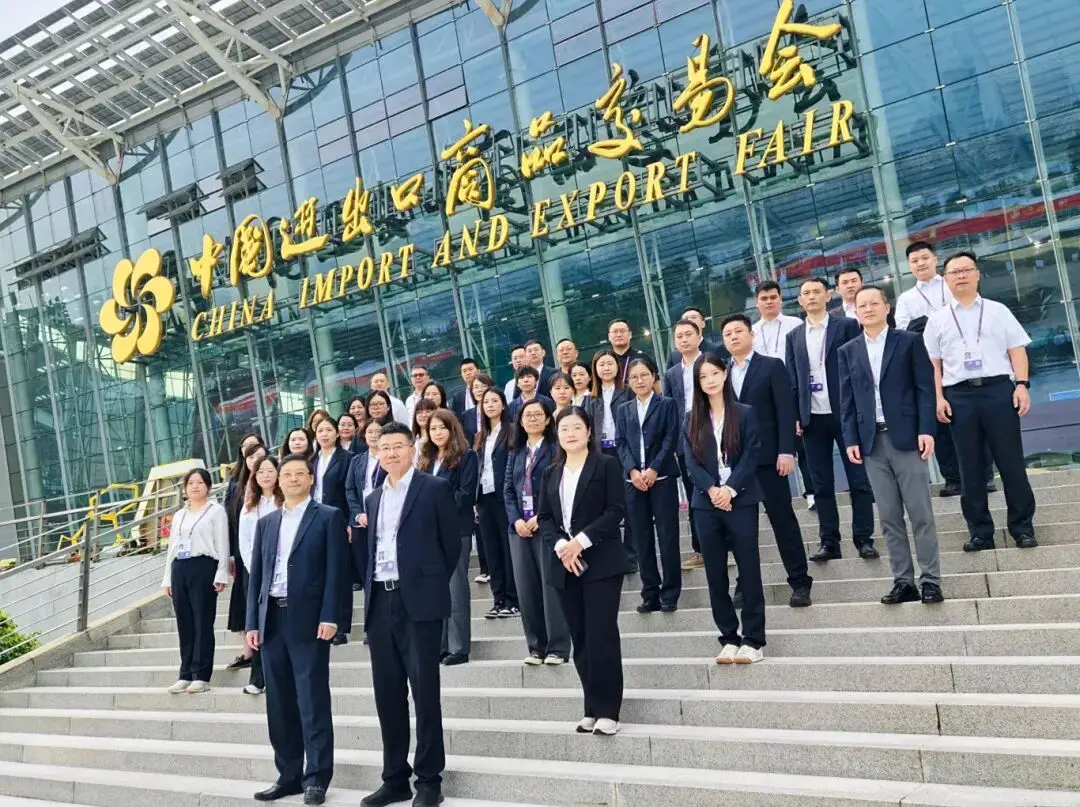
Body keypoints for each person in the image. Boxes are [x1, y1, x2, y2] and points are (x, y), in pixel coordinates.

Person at [360, 422, 457, 807]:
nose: (391, 453)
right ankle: (395, 779)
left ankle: (429, 780)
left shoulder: (434, 488)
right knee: (387, 695)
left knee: (425, 693)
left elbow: (450, 547)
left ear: (412, 449)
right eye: (384, 447)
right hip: (380, 603)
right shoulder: (373, 498)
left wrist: (426, 585)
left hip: (418, 602)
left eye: (398, 446)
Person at [246, 454, 347, 806]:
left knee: (312, 700)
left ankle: (316, 777)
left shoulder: (328, 517)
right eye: (286, 474)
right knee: (279, 702)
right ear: (278, 480)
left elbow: (337, 570)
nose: (292, 479)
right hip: (271, 620)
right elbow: (256, 577)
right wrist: (252, 622)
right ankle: (288, 774)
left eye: (299, 473)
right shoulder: (267, 523)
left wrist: (331, 616)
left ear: (311, 478)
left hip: (309, 620)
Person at [923, 251, 1038, 551]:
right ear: (945, 280)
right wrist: (938, 398)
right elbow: (933, 364)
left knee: (1011, 463)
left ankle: (1022, 528)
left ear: (977, 274)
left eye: (966, 270)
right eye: (954, 272)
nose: (960, 276)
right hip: (958, 396)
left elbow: (1017, 350)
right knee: (969, 468)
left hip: (998, 391)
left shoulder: (998, 310)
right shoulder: (937, 320)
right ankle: (980, 533)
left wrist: (1022, 385)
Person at [839, 286, 944, 605]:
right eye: (862, 305)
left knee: (920, 512)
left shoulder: (908, 341)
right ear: (856, 312)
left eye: (874, 303)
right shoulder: (848, 350)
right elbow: (847, 399)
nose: (868, 309)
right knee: (888, 516)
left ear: (887, 307)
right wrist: (850, 438)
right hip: (871, 442)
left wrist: (927, 430)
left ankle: (930, 580)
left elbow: (925, 388)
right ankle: (903, 581)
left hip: (907, 437)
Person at [537, 406, 632, 735]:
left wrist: (581, 541)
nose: (570, 434)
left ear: (589, 431)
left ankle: (609, 710)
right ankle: (591, 706)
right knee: (580, 636)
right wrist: (562, 546)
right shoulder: (551, 472)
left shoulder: (606, 465)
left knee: (601, 634)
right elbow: (545, 518)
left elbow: (616, 510)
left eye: (577, 427)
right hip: (565, 564)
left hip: (601, 561)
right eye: (564, 428)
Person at [721, 314, 812, 608]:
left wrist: (787, 450)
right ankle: (744, 584)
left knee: (783, 521)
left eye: (738, 331)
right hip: (736, 464)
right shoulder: (720, 373)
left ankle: (799, 581)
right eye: (728, 334)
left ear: (751, 335)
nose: (733, 337)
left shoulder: (772, 366)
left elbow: (785, 410)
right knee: (740, 529)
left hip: (769, 459)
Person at [786, 276, 878, 562]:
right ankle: (829, 542)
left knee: (858, 479)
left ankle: (864, 538)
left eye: (817, 291)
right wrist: (795, 415)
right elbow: (793, 379)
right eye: (806, 293)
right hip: (812, 417)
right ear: (800, 301)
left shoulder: (847, 326)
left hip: (845, 413)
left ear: (828, 296)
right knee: (821, 483)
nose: (811, 296)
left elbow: (859, 368)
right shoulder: (794, 336)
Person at [683, 352, 766, 664]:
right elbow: (690, 463)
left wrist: (730, 489)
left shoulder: (745, 413)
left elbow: (752, 453)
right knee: (715, 574)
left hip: (740, 500)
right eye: (703, 377)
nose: (710, 381)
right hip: (706, 504)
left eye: (714, 373)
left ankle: (753, 640)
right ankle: (729, 637)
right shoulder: (691, 418)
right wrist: (712, 489)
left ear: (725, 374)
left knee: (749, 568)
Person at [896, 241, 994, 497]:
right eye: (915, 260)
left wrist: (929, 323)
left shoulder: (952, 285)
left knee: (974, 421)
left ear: (934, 259)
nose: (920, 263)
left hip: (961, 362)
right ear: (909, 266)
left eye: (924, 258)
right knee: (939, 424)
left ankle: (985, 475)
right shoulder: (906, 299)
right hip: (928, 366)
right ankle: (953, 479)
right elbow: (905, 331)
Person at [504, 398, 568, 665]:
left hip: (546, 527)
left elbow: (557, 487)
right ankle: (536, 647)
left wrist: (540, 518)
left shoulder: (555, 449)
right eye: (526, 415)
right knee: (527, 590)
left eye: (537, 415)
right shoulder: (516, 451)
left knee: (550, 587)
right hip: (519, 530)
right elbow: (508, 490)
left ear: (548, 419)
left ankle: (558, 648)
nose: (531, 419)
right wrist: (516, 520)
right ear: (520, 421)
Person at [617, 356, 681, 612]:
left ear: (653, 376)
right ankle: (650, 593)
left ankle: (670, 594)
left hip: (661, 478)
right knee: (642, 539)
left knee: (667, 537)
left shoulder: (666, 404)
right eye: (634, 377)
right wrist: (633, 471)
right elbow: (621, 443)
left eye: (644, 375)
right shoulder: (624, 409)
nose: (639, 380)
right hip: (634, 482)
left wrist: (654, 468)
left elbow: (671, 438)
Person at [418, 409, 478, 665]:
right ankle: (441, 645)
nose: (437, 433)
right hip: (429, 533)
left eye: (442, 427)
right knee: (436, 590)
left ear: (452, 429)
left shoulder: (466, 456)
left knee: (456, 589)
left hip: (455, 530)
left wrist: (432, 503)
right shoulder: (426, 459)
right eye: (432, 429)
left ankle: (459, 647)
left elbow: (465, 495)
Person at [163, 468, 230, 694]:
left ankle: (201, 675)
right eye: (191, 483)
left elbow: (222, 543)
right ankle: (185, 674)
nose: (195, 486)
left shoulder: (216, 511)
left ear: (208, 487)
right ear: (185, 488)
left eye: (200, 482)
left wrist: (221, 573)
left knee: (202, 621)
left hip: (203, 566)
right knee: (185, 622)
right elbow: (172, 547)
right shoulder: (180, 515)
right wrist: (167, 579)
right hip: (179, 567)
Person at [752, 280, 815, 510]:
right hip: (765, 397)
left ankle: (811, 491)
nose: (769, 302)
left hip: (793, 389)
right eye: (764, 299)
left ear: (780, 299)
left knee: (803, 445)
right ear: (757, 303)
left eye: (773, 297)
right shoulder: (752, 331)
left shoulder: (795, 324)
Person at [237, 455, 284, 694]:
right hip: (255, 573)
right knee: (256, 624)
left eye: (270, 470)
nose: (266, 475)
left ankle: (278, 677)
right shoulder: (249, 506)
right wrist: (255, 570)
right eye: (261, 471)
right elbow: (244, 542)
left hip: (282, 572)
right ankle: (258, 678)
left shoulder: (284, 502)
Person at [662, 318, 705, 571]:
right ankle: (700, 549)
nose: (684, 339)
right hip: (684, 441)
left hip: (713, 433)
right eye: (679, 336)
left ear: (699, 337)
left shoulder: (711, 363)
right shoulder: (671, 374)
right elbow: (669, 411)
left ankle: (728, 545)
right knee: (693, 495)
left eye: (689, 334)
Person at [474, 387, 519, 617]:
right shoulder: (480, 436)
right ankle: (498, 599)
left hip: (505, 498)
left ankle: (513, 599)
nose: (490, 405)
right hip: (484, 498)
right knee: (491, 550)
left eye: (494, 401)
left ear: (503, 404)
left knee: (507, 548)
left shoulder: (512, 430)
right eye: (486, 402)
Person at [591, 348, 635, 568]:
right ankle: (613, 554)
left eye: (610, 363)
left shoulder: (627, 392)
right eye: (601, 364)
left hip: (623, 450)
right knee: (607, 503)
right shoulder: (591, 398)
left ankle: (631, 555)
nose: (606, 368)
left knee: (629, 502)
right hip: (601, 453)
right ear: (595, 370)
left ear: (618, 367)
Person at [225, 441, 267, 672]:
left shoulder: (271, 486)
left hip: (267, 555)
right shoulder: (237, 484)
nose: (254, 460)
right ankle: (248, 652)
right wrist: (231, 554)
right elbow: (229, 519)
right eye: (250, 455)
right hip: (243, 554)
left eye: (259, 454)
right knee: (244, 601)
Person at [313, 416, 354, 646]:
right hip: (315, 520)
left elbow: (349, 491)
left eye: (329, 430)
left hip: (338, 518)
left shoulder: (347, 458)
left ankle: (342, 625)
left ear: (337, 433)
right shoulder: (311, 460)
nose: (324, 434)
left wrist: (349, 521)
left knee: (339, 572)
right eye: (320, 430)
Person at [345, 417, 389, 602]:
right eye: (370, 432)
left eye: (378, 432)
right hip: (361, 521)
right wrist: (357, 514)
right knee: (365, 566)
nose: (374, 435)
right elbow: (349, 489)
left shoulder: (389, 457)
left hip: (385, 518)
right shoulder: (357, 460)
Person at [608, 318, 644, 384]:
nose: (619, 335)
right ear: (609, 336)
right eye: (615, 331)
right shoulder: (603, 360)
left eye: (622, 331)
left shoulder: (642, 357)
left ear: (630, 334)